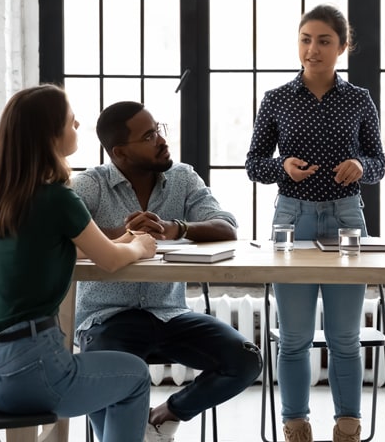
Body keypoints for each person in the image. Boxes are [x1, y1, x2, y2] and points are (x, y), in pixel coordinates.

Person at [0, 84, 156, 442]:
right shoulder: (57, 199)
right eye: (71, 122)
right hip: (31, 372)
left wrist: (119, 240)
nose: (78, 125)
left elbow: (44, 246)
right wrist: (140, 246)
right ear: (50, 136)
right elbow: (112, 261)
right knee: (134, 376)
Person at [72, 101, 263, 442]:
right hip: (106, 318)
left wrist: (179, 228)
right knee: (110, 379)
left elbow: (227, 226)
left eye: (158, 129)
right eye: (149, 136)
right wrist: (124, 233)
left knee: (245, 361)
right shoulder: (91, 185)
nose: (161, 140)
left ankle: (164, 416)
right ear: (121, 153)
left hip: (168, 314)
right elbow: (60, 237)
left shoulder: (182, 178)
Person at [246, 3, 385, 442]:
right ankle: (295, 422)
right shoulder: (276, 99)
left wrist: (361, 167)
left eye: (324, 40)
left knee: (345, 336)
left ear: (343, 47)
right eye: (306, 39)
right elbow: (253, 164)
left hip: (347, 217)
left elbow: (379, 162)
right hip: (292, 218)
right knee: (294, 337)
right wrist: (281, 167)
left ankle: (348, 421)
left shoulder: (359, 99)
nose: (313, 49)